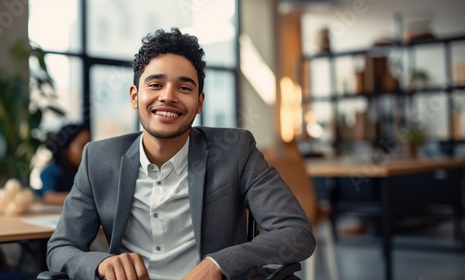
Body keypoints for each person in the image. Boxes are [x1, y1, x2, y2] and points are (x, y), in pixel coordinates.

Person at [46, 28, 315, 280]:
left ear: (199, 102)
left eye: (184, 88)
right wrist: (100, 264)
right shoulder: (98, 159)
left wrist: (219, 263)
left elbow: (296, 234)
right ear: (134, 96)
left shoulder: (235, 150)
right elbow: (61, 247)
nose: (168, 96)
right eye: (155, 85)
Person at [39, 123, 91, 205]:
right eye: (82, 146)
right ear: (66, 148)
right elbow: (49, 198)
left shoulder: (82, 172)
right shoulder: (52, 171)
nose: (88, 152)